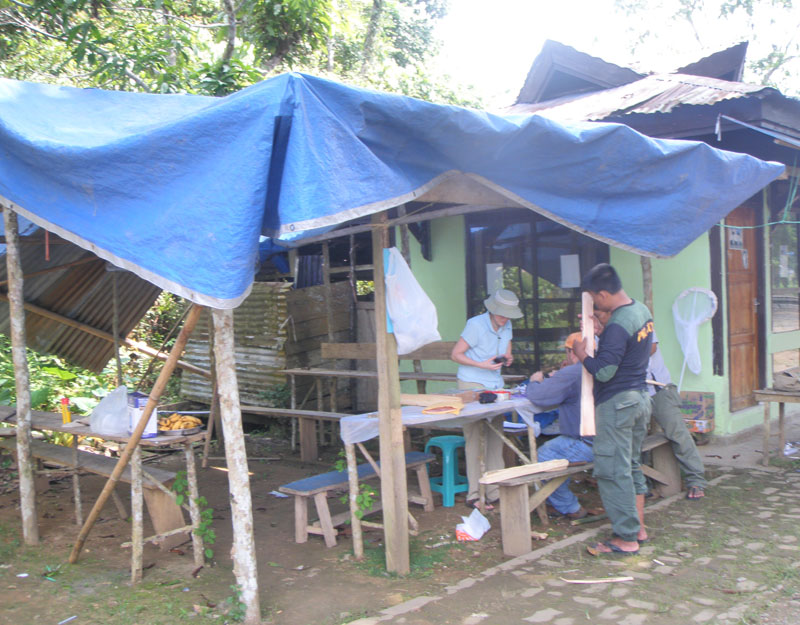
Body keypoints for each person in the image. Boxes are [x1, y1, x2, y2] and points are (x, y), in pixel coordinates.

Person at [572, 264, 652, 556]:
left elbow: (604, 371)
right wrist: (602, 331)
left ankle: (626, 538)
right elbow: (628, 348)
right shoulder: (639, 311)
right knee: (630, 466)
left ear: (603, 294)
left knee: (612, 471)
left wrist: (582, 354)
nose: (594, 305)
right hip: (639, 398)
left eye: (594, 299)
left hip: (618, 404)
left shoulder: (619, 324)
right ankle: (638, 529)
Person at [450, 289, 522, 509]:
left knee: (495, 436)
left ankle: (493, 491)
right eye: (501, 314)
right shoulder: (476, 325)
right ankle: (474, 494)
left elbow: (506, 349)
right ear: (492, 310)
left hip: (495, 384)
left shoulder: (506, 324)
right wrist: (481, 364)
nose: (504, 319)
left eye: (508, 315)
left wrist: (508, 358)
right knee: (475, 439)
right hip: (472, 384)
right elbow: (456, 354)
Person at [526, 331, 592, 519]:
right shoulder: (599, 367)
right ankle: (555, 501)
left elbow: (540, 397)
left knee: (544, 457)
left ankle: (570, 507)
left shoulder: (573, 372)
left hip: (586, 442)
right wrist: (560, 376)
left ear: (573, 352)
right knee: (554, 448)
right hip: (610, 438)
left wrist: (534, 382)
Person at [648, 331, 707, 500]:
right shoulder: (596, 334)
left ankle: (695, 479)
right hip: (633, 392)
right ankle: (644, 483)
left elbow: (651, 348)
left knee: (677, 433)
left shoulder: (638, 317)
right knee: (634, 437)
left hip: (659, 390)